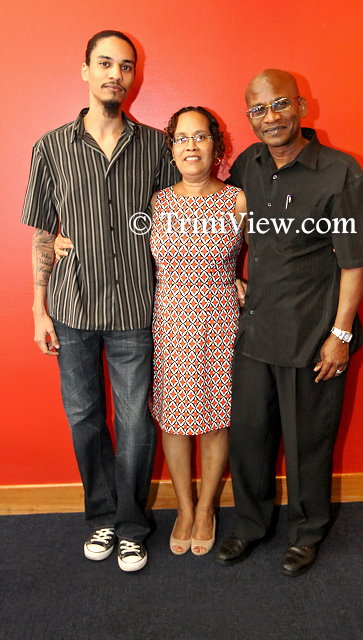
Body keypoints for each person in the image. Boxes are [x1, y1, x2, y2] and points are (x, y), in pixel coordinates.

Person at [21, 30, 178, 572]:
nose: (116, 74)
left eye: (126, 66)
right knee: (85, 417)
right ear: (86, 70)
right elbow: (43, 233)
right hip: (73, 309)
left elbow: (177, 214)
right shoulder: (50, 147)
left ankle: (132, 527)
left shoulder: (156, 147)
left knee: (135, 422)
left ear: (135, 76)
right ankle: (102, 517)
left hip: (135, 307)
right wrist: (39, 308)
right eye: (106, 63)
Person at [216, 69, 363, 576]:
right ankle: (250, 525)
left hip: (313, 335)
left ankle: (307, 532)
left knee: (308, 441)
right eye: (258, 110)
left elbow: (354, 262)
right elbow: (220, 217)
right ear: (249, 117)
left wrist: (341, 334)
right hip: (255, 330)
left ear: (302, 107)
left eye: (280, 104)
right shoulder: (248, 164)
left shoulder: (341, 172)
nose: (271, 117)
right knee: (249, 437)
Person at [150, 107, 246, 555]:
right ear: (171, 149)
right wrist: (61, 240)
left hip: (220, 322)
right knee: (173, 421)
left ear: (216, 146)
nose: (191, 145)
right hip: (170, 322)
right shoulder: (156, 204)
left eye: (201, 136)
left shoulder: (238, 201)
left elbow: (274, 254)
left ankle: (206, 508)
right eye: (182, 138)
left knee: (215, 421)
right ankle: (184, 509)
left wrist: (248, 283)